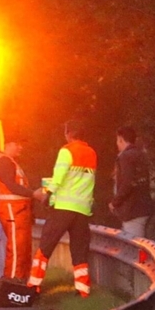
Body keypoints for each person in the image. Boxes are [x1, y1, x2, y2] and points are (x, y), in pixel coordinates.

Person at [28, 119, 97, 297]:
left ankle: (33, 285)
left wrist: (47, 193)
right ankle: (83, 290)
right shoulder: (91, 153)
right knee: (79, 250)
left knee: (46, 246)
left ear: (69, 134)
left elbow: (58, 177)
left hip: (63, 208)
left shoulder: (67, 151)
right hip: (82, 210)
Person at [0, 134, 35, 281]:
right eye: (17, 144)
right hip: (12, 209)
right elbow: (11, 186)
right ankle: (13, 281)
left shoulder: (10, 162)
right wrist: (34, 194)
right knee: (16, 248)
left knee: (22, 248)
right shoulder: (3, 162)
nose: (20, 148)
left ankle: (22, 280)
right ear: (8, 144)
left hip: (19, 210)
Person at [108, 126, 155, 238]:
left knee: (134, 247)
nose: (117, 144)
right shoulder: (141, 155)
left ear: (121, 139)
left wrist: (114, 202)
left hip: (132, 210)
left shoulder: (125, 157)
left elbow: (127, 183)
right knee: (142, 245)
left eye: (117, 140)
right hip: (145, 207)